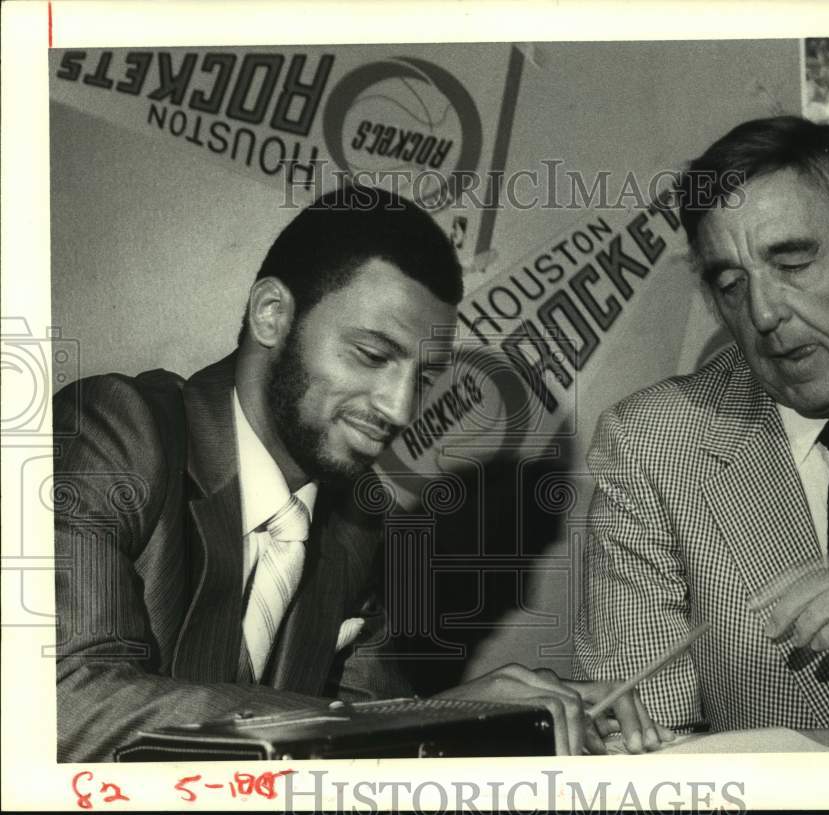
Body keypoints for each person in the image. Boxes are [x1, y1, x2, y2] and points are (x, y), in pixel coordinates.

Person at [53, 185, 667, 762]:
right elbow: (67, 703)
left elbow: (379, 733)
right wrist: (431, 718)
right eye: (372, 356)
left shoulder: (353, 527)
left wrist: (485, 718)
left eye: (423, 378)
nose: (400, 409)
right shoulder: (115, 432)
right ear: (272, 314)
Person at [574, 117, 829, 735]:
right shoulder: (652, 447)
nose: (763, 312)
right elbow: (645, 734)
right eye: (731, 283)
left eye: (793, 261)